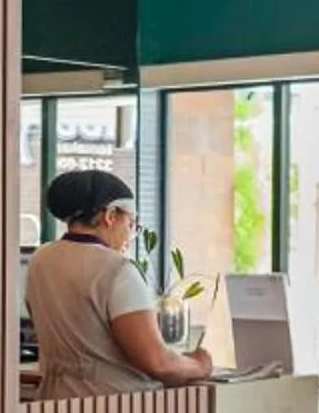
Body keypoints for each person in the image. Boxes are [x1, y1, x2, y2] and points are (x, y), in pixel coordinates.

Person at [23, 168, 213, 400]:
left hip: (54, 404)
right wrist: (200, 364)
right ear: (111, 215)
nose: (130, 235)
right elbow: (157, 362)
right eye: (131, 223)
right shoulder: (117, 269)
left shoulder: (41, 260)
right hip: (115, 409)